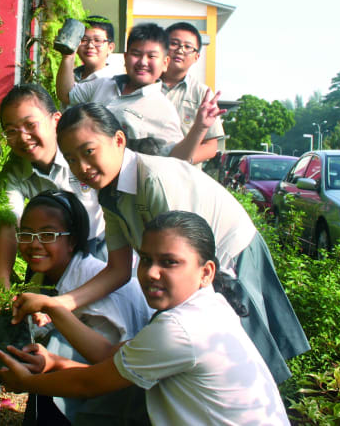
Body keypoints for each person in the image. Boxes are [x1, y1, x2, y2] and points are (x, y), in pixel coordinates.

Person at [26, 103, 309, 383]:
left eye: (88, 152)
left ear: (119, 140)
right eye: (71, 159)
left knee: (248, 363)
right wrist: (61, 304)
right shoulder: (110, 196)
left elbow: (184, 267)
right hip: (194, 268)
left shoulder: (154, 180)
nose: (82, 167)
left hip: (230, 258)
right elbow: (118, 270)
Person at [0, 211, 291, 426]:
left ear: (206, 272)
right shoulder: (210, 307)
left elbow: (90, 383)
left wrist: (26, 383)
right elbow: (111, 356)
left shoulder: (179, 329)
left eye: (170, 262)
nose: (151, 272)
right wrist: (56, 359)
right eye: (146, 259)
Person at [16, 190, 153, 425]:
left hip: (127, 389)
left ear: (72, 242)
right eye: (26, 234)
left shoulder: (92, 280)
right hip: (102, 372)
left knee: (56, 345)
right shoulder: (43, 278)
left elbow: (108, 357)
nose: (35, 244)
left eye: (48, 234)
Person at [0, 85, 106, 290]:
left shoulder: (82, 153)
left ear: (56, 121)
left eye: (30, 125)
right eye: (11, 131)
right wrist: (1, 286)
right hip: (49, 256)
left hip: (98, 248)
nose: (23, 137)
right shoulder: (14, 170)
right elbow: (9, 225)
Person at [59, 23, 220, 164]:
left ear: (164, 63)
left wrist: (200, 127)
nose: (143, 62)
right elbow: (66, 94)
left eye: (151, 56)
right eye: (136, 54)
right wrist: (68, 55)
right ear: (126, 57)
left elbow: (175, 159)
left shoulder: (163, 109)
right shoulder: (102, 83)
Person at [161, 22, 225, 165]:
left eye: (188, 47)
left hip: (184, 178)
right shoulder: (144, 84)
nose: (180, 50)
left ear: (196, 57)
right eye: (174, 43)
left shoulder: (203, 94)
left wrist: (178, 161)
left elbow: (210, 146)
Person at [55, 16, 116, 101]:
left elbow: (66, 96)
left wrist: (68, 56)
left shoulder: (111, 82)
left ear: (110, 48)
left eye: (97, 40)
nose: (90, 45)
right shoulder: (71, 74)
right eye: (84, 39)